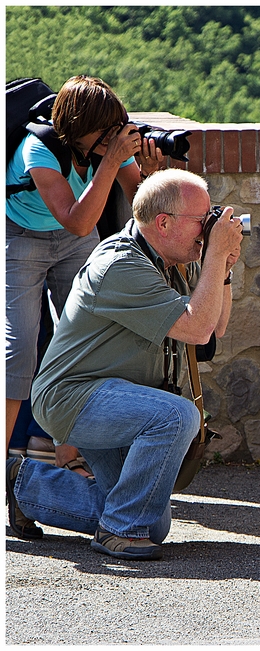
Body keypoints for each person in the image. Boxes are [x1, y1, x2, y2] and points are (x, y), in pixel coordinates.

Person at [6, 169, 243, 561]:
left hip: (119, 396)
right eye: (202, 221)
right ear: (164, 223)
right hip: (73, 396)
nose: (208, 229)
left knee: (154, 523)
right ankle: (118, 531)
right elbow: (199, 330)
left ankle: (27, 486)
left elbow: (214, 326)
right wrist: (215, 253)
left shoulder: (170, 260)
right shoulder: (121, 265)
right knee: (177, 417)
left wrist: (224, 268)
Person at [6, 75, 161, 472]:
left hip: (74, 238)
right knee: (19, 350)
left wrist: (153, 173)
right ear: (77, 128)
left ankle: (67, 454)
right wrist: (111, 161)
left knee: (85, 343)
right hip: (23, 236)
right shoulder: (36, 148)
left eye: (116, 128)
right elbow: (76, 220)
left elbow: (139, 201)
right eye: (105, 131)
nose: (114, 137)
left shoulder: (106, 143)